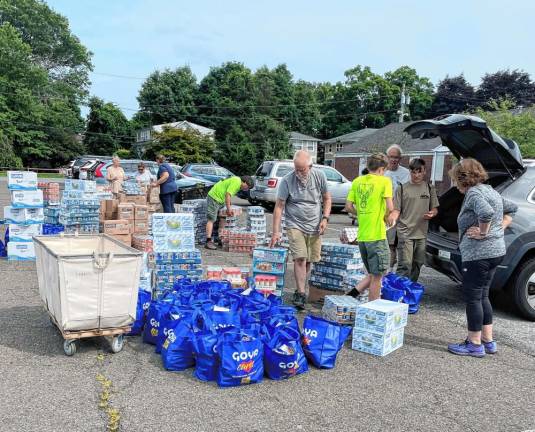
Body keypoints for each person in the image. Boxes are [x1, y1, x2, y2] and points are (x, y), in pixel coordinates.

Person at [446, 158, 517, 358]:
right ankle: (488, 340)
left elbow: (485, 213)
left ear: (462, 178)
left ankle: (474, 344)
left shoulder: (474, 193)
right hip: (495, 252)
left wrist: (485, 232)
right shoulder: (490, 190)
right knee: (483, 295)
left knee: (473, 298)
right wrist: (499, 229)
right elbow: (511, 209)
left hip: (479, 255)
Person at [270, 150, 331, 309]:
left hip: (315, 224)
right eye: (296, 169)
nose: (298, 172)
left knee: (309, 259)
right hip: (294, 224)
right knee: (300, 258)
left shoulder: (320, 176)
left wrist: (325, 218)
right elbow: (279, 206)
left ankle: (301, 288)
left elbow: (327, 198)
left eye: (302, 169)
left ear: (310, 166)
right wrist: (276, 231)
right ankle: (301, 293)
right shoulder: (287, 180)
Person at [344, 153, 395, 301]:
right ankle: (374, 308)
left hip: (363, 238)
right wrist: (386, 216)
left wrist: (361, 213)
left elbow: (348, 206)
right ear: (381, 169)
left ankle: (353, 294)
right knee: (378, 276)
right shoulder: (384, 182)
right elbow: (390, 207)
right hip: (377, 236)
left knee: (373, 273)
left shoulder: (357, 181)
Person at [389, 158, 439, 282]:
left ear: (424, 171)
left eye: (419, 171)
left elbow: (434, 208)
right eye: (413, 172)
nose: (416, 175)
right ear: (410, 172)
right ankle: (399, 292)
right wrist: (391, 219)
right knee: (405, 264)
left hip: (422, 233)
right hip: (405, 232)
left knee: (418, 263)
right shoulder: (401, 188)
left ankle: (410, 288)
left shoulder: (429, 188)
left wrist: (432, 213)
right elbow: (396, 210)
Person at [205, 175, 255, 250]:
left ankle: (220, 238)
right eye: (247, 187)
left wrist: (229, 206)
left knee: (223, 217)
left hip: (221, 200)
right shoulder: (237, 182)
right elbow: (227, 195)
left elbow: (229, 195)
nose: (246, 189)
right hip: (214, 197)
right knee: (211, 219)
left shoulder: (237, 182)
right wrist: (229, 209)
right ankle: (208, 241)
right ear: (244, 182)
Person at [384, 144, 410, 271]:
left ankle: (400, 272)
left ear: (400, 159)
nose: (393, 160)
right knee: (389, 245)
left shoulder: (406, 173)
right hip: (386, 214)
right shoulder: (382, 172)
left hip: (402, 214)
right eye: (391, 157)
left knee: (402, 245)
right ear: (387, 157)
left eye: (396, 157)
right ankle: (388, 271)